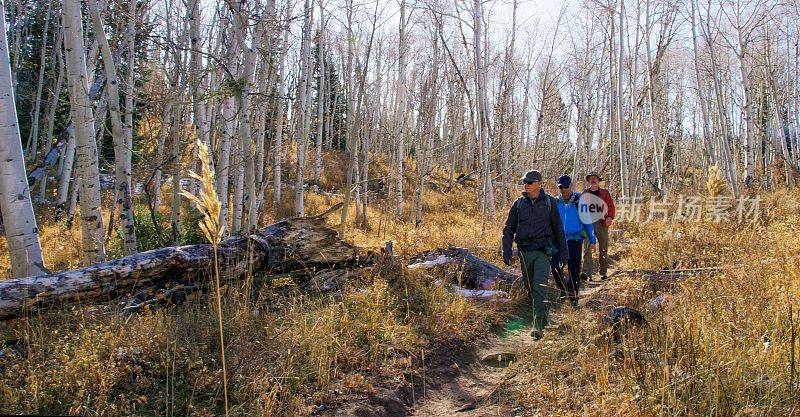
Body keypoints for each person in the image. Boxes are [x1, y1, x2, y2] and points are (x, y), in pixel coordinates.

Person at [502, 170, 569, 339]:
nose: (526, 185)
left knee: (540, 286)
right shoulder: (518, 204)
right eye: (525, 182)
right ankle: (543, 314)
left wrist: (564, 253)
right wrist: (507, 249)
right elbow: (508, 229)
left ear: (539, 183)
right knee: (531, 288)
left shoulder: (550, 202)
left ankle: (538, 324)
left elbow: (558, 229)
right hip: (524, 252)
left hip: (542, 252)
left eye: (530, 182)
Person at [551, 175, 596, 307]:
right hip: (558, 240)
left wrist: (592, 240)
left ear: (570, 186)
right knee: (555, 267)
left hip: (575, 240)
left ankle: (574, 299)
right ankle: (564, 288)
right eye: (561, 187)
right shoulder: (555, 202)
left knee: (574, 271)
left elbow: (587, 222)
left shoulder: (579, 201)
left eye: (566, 186)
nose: (564, 189)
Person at [581, 172, 615, 281]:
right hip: (588, 223)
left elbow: (610, 206)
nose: (593, 180)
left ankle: (603, 272)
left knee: (603, 248)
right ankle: (586, 273)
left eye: (595, 178)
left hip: (602, 223)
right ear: (589, 181)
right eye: (591, 178)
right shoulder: (584, 193)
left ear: (598, 180)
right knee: (587, 248)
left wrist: (610, 217)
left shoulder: (604, 193)